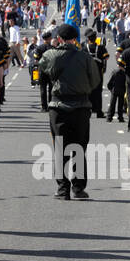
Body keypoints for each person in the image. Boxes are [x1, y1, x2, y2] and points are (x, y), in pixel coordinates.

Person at [39, 23, 101, 199]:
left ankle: (63, 189)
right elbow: (95, 81)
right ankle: (78, 188)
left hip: (59, 107)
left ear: (59, 39)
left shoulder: (51, 55)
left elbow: (42, 68)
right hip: (81, 106)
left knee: (60, 149)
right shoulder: (85, 57)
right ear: (76, 39)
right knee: (79, 148)